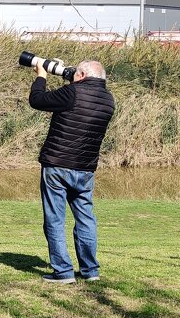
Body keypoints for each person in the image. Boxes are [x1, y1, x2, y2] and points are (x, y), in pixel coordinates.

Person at [28, 59, 115, 284]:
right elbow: (84, 91)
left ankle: (63, 272)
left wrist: (41, 75)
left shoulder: (71, 93)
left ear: (82, 75)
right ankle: (90, 271)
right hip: (85, 168)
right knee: (86, 219)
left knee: (55, 219)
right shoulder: (108, 100)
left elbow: (36, 100)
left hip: (57, 165)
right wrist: (71, 75)